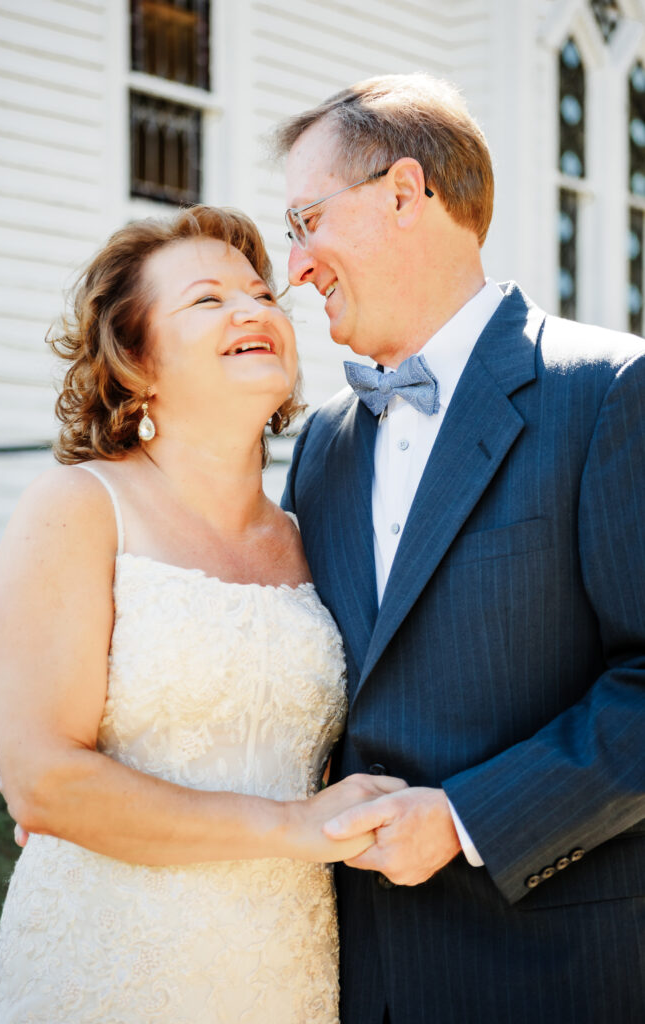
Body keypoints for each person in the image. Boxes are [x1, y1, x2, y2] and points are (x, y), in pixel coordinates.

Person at [275, 73, 645, 1023]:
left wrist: (464, 818)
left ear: (404, 193)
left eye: (306, 220)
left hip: (551, 969)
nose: (297, 266)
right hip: (350, 972)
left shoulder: (609, 391)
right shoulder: (318, 441)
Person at [0, 205, 406, 1024]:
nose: (254, 310)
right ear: (136, 362)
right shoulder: (79, 508)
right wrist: (296, 828)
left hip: (285, 961)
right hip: (108, 959)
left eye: (261, 295)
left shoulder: (313, 533)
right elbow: (44, 780)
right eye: (207, 300)